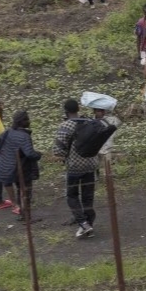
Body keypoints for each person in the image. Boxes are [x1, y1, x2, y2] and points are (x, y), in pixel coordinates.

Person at [53, 98, 101, 239]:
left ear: (66, 111)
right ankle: (89, 223)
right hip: (91, 165)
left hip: (74, 167)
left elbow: (58, 151)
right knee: (88, 196)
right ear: (78, 109)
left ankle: (83, 223)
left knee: (72, 196)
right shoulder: (89, 122)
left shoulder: (65, 126)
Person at [0, 110, 40, 219]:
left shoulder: (8, 132)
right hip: (21, 169)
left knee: (20, 190)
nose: (29, 121)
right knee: (25, 192)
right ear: (22, 121)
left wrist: (3, 152)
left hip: (9, 168)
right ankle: (26, 216)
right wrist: (38, 155)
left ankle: (21, 213)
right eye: (27, 119)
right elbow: (30, 153)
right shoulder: (24, 136)